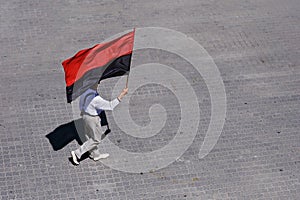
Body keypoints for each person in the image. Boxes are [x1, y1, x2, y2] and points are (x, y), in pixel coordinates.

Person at [71, 83, 128, 165]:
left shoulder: (85, 92)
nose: (99, 83)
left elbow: (83, 104)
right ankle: (77, 153)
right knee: (96, 139)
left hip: (85, 116)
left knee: (89, 136)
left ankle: (95, 154)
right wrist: (122, 94)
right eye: (97, 82)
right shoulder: (96, 99)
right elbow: (110, 106)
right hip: (93, 119)